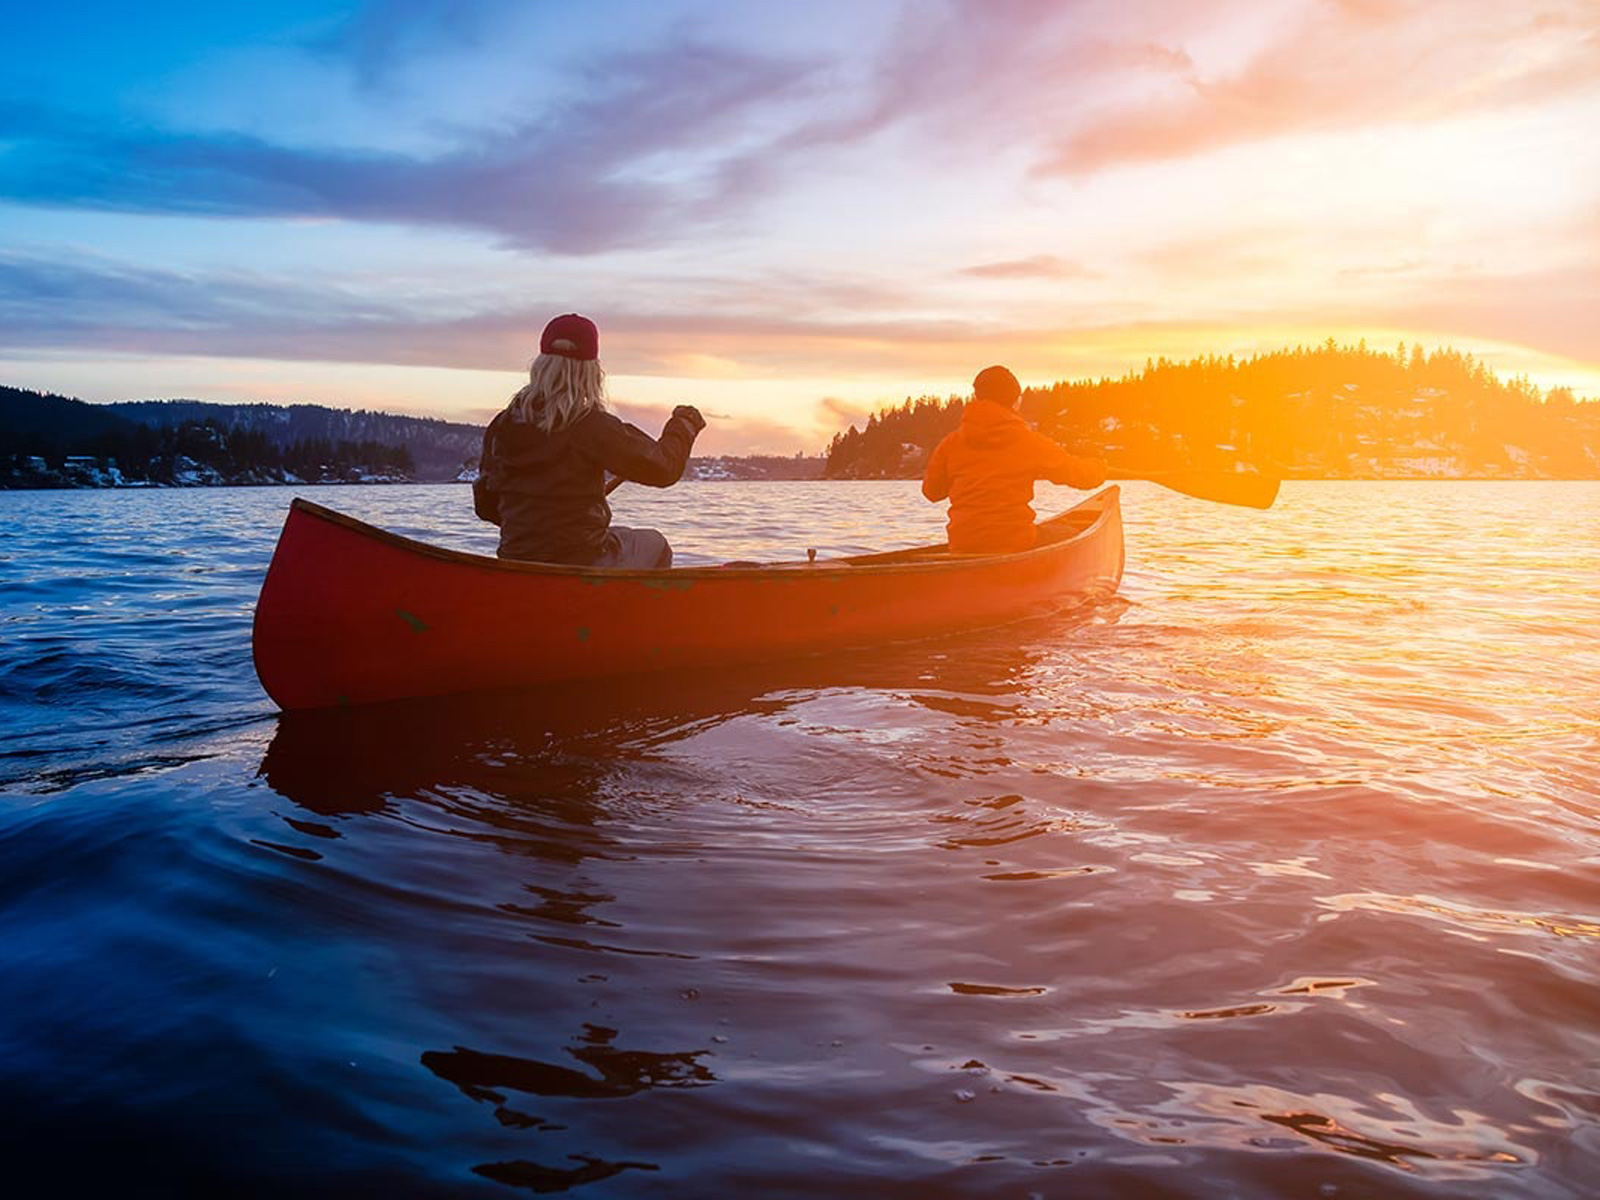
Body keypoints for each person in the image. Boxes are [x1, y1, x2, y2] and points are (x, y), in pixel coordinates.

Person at [476, 313, 705, 567]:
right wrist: (683, 425)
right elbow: (664, 469)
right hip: (583, 558)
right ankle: (629, 605)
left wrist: (536, 520)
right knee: (655, 543)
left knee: (620, 536)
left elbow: (486, 506)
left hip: (516, 559)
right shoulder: (591, 425)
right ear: (592, 372)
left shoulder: (503, 425)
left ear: (540, 366)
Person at [921, 365, 1107, 554]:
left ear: (977, 397)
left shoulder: (951, 444)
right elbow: (1081, 476)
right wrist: (1099, 467)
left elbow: (931, 492)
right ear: (1014, 401)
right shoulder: (1028, 441)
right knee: (1071, 532)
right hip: (1015, 541)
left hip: (963, 543)